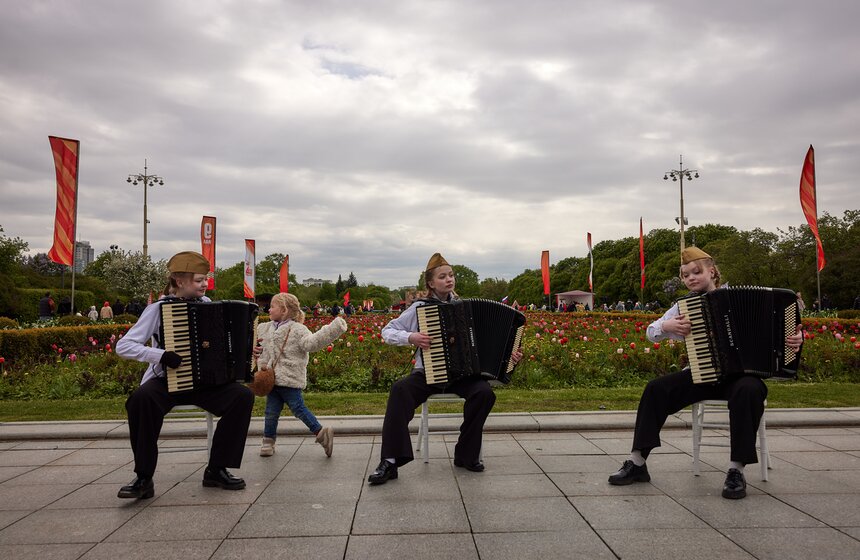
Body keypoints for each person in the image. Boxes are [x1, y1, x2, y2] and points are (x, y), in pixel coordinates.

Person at [607, 247, 804, 499]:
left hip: (743, 377)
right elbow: (651, 331)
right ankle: (637, 463)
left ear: (712, 271)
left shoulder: (744, 297)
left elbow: (789, 333)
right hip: (703, 374)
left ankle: (736, 470)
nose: (691, 278)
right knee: (656, 388)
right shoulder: (684, 306)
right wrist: (666, 326)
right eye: (685, 275)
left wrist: (796, 338)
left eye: (696, 272)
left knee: (749, 390)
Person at [367, 253, 523, 485]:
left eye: (451, 275)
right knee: (400, 390)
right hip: (428, 373)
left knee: (484, 393)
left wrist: (509, 356)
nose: (449, 280)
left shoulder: (465, 307)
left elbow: (494, 346)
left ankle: (465, 454)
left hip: (463, 375)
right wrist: (412, 337)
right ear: (431, 283)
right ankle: (390, 461)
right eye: (442, 276)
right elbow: (387, 331)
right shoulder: (421, 307)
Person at [115, 251, 254, 499]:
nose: (205, 284)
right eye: (199, 280)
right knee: (140, 400)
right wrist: (161, 355)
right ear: (179, 281)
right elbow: (124, 346)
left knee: (241, 397)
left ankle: (216, 469)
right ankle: (144, 478)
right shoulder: (158, 309)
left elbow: (222, 345)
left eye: (205, 280)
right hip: (166, 380)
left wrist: (245, 351)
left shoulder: (209, 305)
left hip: (204, 383)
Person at [256, 292, 346, 458]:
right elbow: (260, 350)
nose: (269, 308)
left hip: (289, 379)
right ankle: (268, 441)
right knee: (270, 412)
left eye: (273, 306)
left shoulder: (298, 330)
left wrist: (333, 329)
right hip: (271, 380)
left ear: (283, 310)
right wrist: (257, 358)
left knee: (298, 408)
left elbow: (311, 343)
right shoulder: (264, 328)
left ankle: (321, 432)